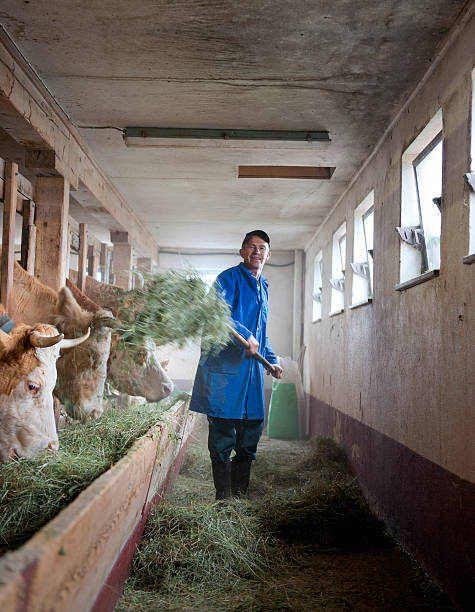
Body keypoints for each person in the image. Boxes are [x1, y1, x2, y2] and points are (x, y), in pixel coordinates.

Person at [189, 230, 283, 500]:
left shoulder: (264, 288)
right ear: (242, 252)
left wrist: (272, 361)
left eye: (262, 247)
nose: (257, 252)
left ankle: (240, 498)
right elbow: (219, 316)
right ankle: (224, 498)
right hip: (225, 374)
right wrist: (246, 334)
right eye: (251, 247)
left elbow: (260, 334)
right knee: (222, 438)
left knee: (249, 437)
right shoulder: (227, 279)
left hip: (251, 377)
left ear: (268, 254)